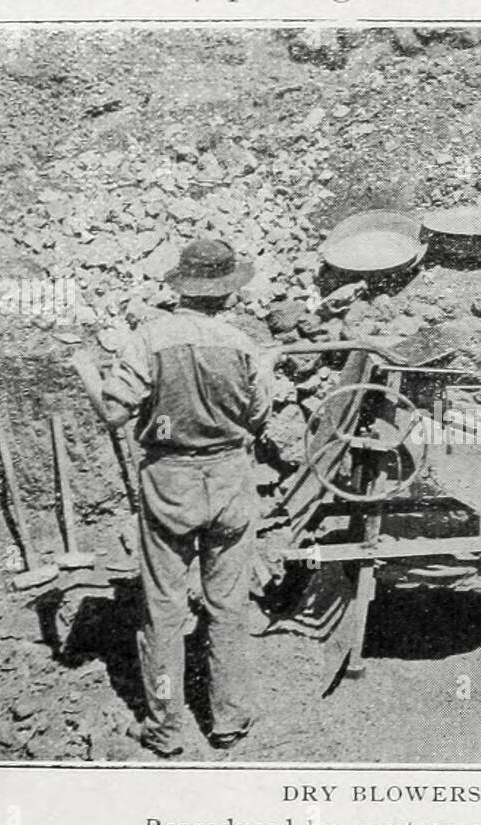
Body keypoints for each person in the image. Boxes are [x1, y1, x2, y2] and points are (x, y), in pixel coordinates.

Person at [72, 238, 273, 756]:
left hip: (170, 482)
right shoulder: (244, 345)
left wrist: (89, 376)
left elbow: (115, 414)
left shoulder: (148, 340)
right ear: (228, 294)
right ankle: (228, 718)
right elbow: (258, 418)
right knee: (228, 606)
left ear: (180, 287)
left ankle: (165, 728)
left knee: (162, 610)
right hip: (230, 480)